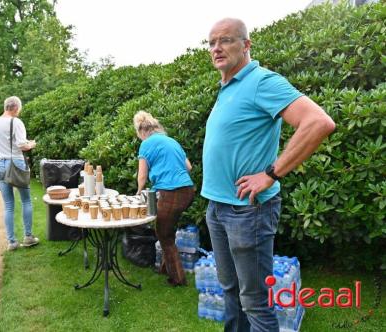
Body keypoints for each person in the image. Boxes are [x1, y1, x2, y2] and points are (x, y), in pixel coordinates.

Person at [202, 18, 335, 331]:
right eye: (211, 42)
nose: (216, 48)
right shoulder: (227, 87)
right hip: (218, 208)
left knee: (254, 301)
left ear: (246, 45)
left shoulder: (261, 81)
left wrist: (271, 174)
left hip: (248, 211)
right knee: (231, 290)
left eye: (226, 40)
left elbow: (318, 122)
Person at [134, 111, 195, 286]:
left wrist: (139, 193)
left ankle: (177, 279)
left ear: (141, 131)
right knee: (167, 230)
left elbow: (142, 176)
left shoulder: (146, 145)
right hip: (187, 190)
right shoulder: (172, 141)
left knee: (163, 234)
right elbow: (189, 167)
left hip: (171, 192)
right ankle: (165, 268)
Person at [0, 96, 39, 251]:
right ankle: (28, 237)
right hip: (16, 163)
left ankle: (12, 242)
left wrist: (0, 146)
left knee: (8, 205)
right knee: (26, 201)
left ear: (5, 106)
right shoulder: (16, 122)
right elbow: (22, 145)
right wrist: (31, 144)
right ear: (16, 108)